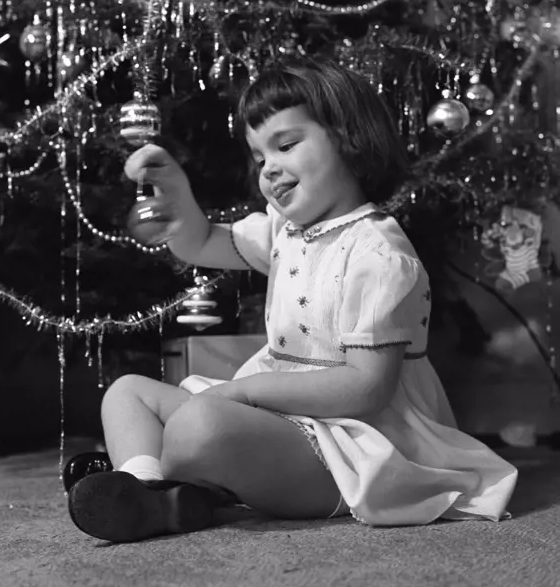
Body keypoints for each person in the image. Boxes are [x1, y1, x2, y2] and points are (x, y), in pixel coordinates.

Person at [66, 55, 518, 543]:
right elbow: (201, 243)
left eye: (286, 144)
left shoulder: (379, 256)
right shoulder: (288, 230)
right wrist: (175, 193)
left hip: (352, 444)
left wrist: (242, 393)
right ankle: (148, 492)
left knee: (201, 425)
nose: (270, 169)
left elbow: (366, 390)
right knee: (127, 393)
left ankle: (167, 482)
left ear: (350, 138)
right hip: (278, 419)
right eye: (260, 157)